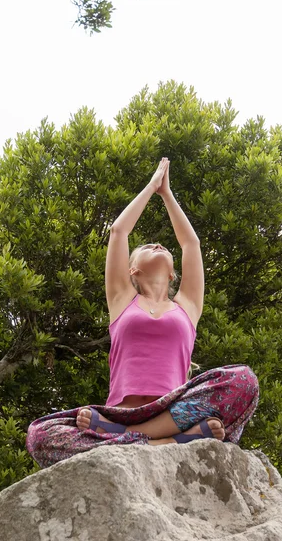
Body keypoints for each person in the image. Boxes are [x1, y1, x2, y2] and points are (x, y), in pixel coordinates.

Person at [26, 158, 259, 468]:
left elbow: (191, 242)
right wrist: (151, 187)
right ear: (132, 268)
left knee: (244, 380)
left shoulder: (187, 306)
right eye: (149, 245)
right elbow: (119, 231)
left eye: (163, 247)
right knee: (39, 434)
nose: (159, 243)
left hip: (171, 409)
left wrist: (168, 194)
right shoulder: (122, 300)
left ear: (174, 274)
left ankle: (133, 437)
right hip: (119, 412)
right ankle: (171, 442)